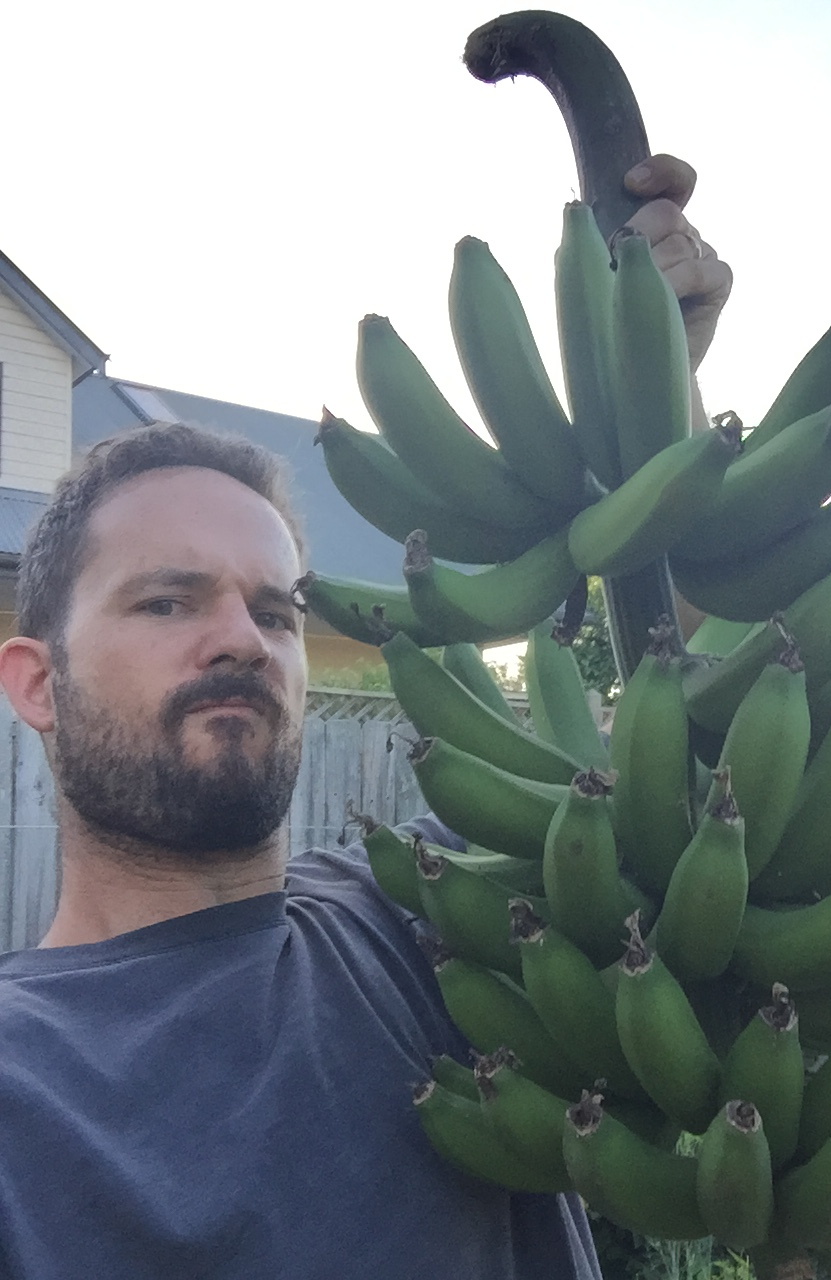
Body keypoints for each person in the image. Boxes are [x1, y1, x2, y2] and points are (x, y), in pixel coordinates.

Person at [0, 153, 730, 1279]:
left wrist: (660, 397)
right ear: (37, 682)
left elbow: (705, 772)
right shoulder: (23, 1078)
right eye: (168, 599)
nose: (244, 637)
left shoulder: (429, 918)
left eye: (276, 610)